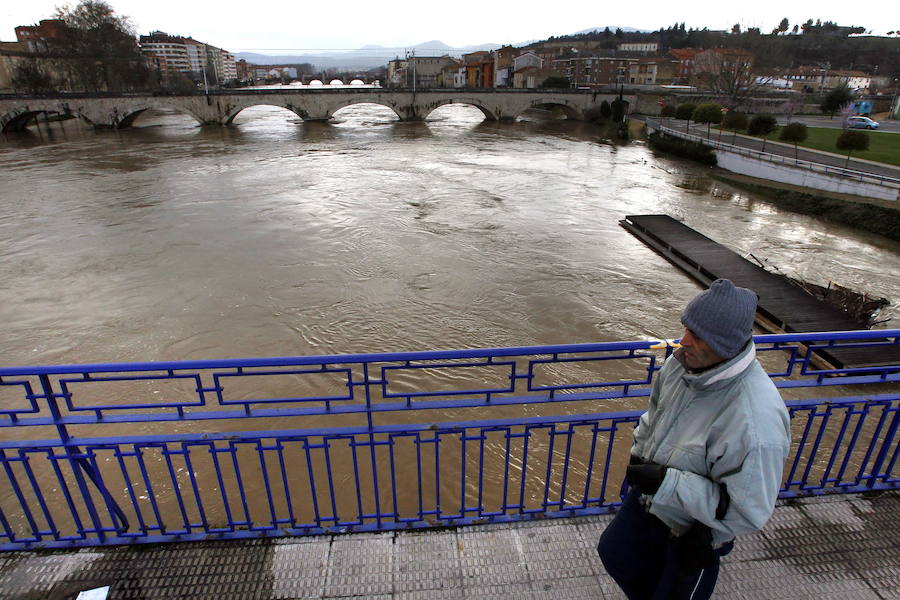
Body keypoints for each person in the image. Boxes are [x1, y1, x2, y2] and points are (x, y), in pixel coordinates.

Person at [597, 278, 791, 599]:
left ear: (726, 346)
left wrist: (666, 483)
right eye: (686, 327)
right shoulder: (681, 364)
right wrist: (640, 454)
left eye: (697, 336)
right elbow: (655, 412)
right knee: (615, 554)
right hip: (650, 498)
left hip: (691, 530)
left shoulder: (755, 421)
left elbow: (748, 510)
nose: (683, 340)